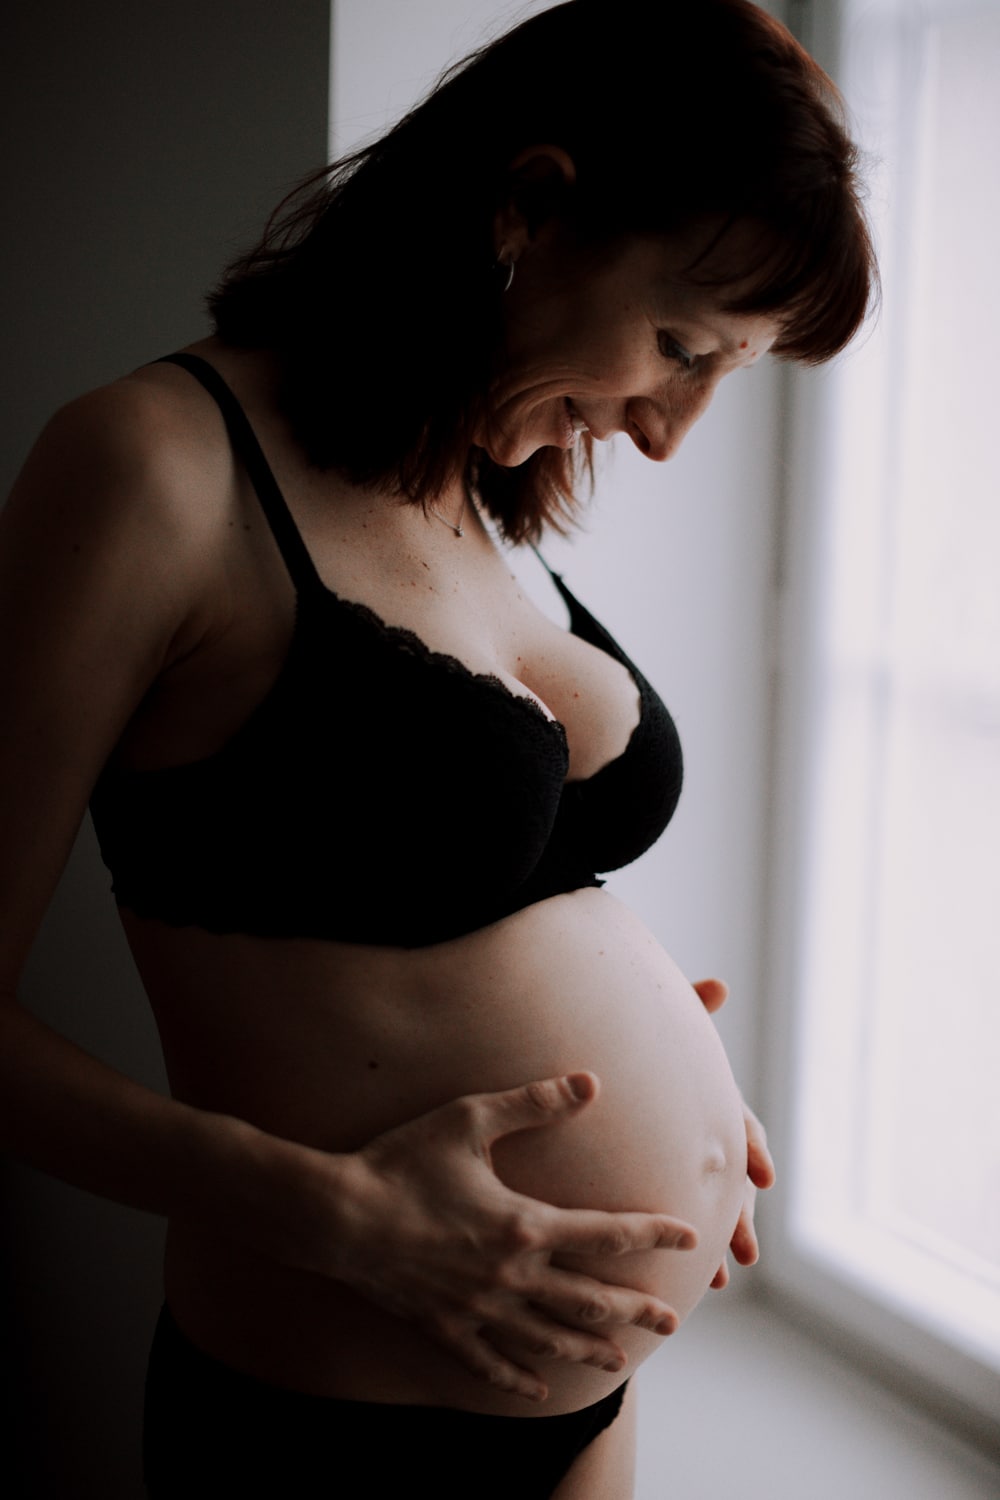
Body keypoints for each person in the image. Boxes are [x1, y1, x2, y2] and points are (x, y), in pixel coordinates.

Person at [0, 0, 875, 1494]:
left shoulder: (483, 488)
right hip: (332, 1415)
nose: (669, 433)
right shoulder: (154, 467)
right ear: (529, 207)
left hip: (584, 1408)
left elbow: (457, 892)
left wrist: (664, 1065)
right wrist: (336, 1214)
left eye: (724, 371)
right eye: (678, 345)